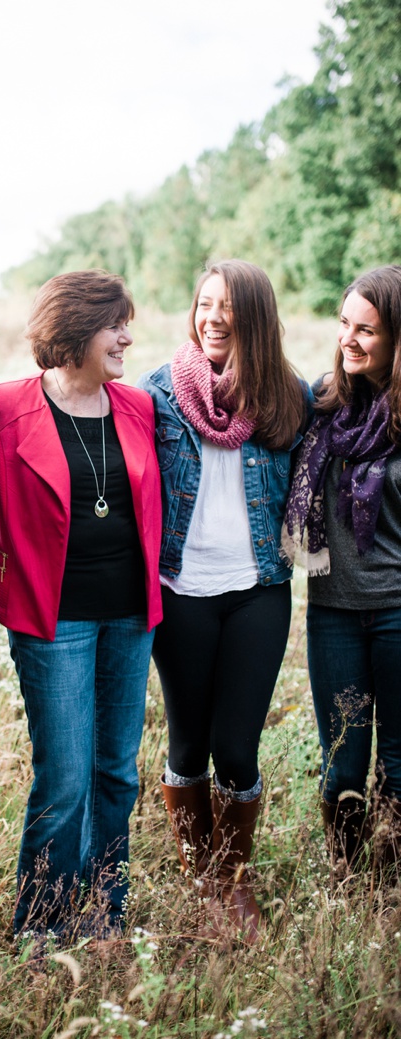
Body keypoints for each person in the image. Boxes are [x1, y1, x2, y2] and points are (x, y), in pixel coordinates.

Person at [0, 270, 162, 942]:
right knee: (63, 778)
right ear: (74, 330)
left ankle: (103, 914)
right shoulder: (5, 407)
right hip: (50, 618)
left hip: (130, 614)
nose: (127, 336)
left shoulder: (138, 406)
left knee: (116, 771)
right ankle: (40, 923)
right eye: (115, 323)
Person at [139, 260, 309, 942]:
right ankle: (202, 879)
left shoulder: (288, 397)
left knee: (237, 747)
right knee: (188, 744)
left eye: (227, 308)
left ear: (255, 319)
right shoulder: (157, 393)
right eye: (203, 303)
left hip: (258, 590)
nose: (211, 317)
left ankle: (234, 882)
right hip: (181, 589)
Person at [284, 264, 401, 883]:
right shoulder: (325, 404)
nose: (349, 339)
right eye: (344, 324)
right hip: (333, 615)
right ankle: (349, 882)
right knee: (343, 764)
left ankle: (392, 883)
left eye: (368, 331)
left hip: (398, 613)